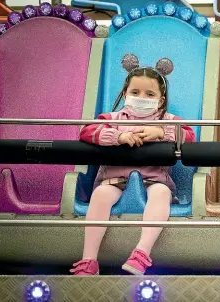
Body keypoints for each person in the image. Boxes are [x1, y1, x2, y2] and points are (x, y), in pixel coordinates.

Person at [70, 54, 195, 275]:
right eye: (135, 93)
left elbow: (189, 136)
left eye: (149, 94)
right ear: (125, 93)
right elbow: (86, 132)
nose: (141, 97)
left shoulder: (169, 121)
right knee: (99, 195)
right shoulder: (112, 117)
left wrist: (159, 132)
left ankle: (141, 253)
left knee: (161, 194)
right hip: (114, 180)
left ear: (161, 99)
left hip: (153, 180)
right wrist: (117, 137)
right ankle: (89, 260)